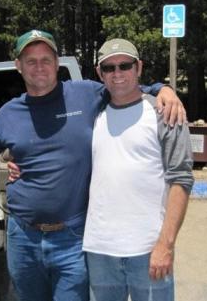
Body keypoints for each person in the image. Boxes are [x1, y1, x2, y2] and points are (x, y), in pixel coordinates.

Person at [0, 29, 185, 301]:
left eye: (46, 59)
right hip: (23, 237)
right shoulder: (9, 113)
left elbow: (124, 86)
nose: (39, 67)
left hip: (73, 238)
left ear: (57, 63)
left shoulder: (85, 94)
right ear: (18, 66)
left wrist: (163, 89)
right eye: (30, 61)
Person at [83, 39, 194, 301]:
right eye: (109, 68)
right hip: (100, 251)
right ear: (100, 73)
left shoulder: (164, 112)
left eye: (125, 65)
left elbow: (181, 179)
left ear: (139, 67)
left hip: (149, 249)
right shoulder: (92, 113)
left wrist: (166, 245)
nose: (117, 73)